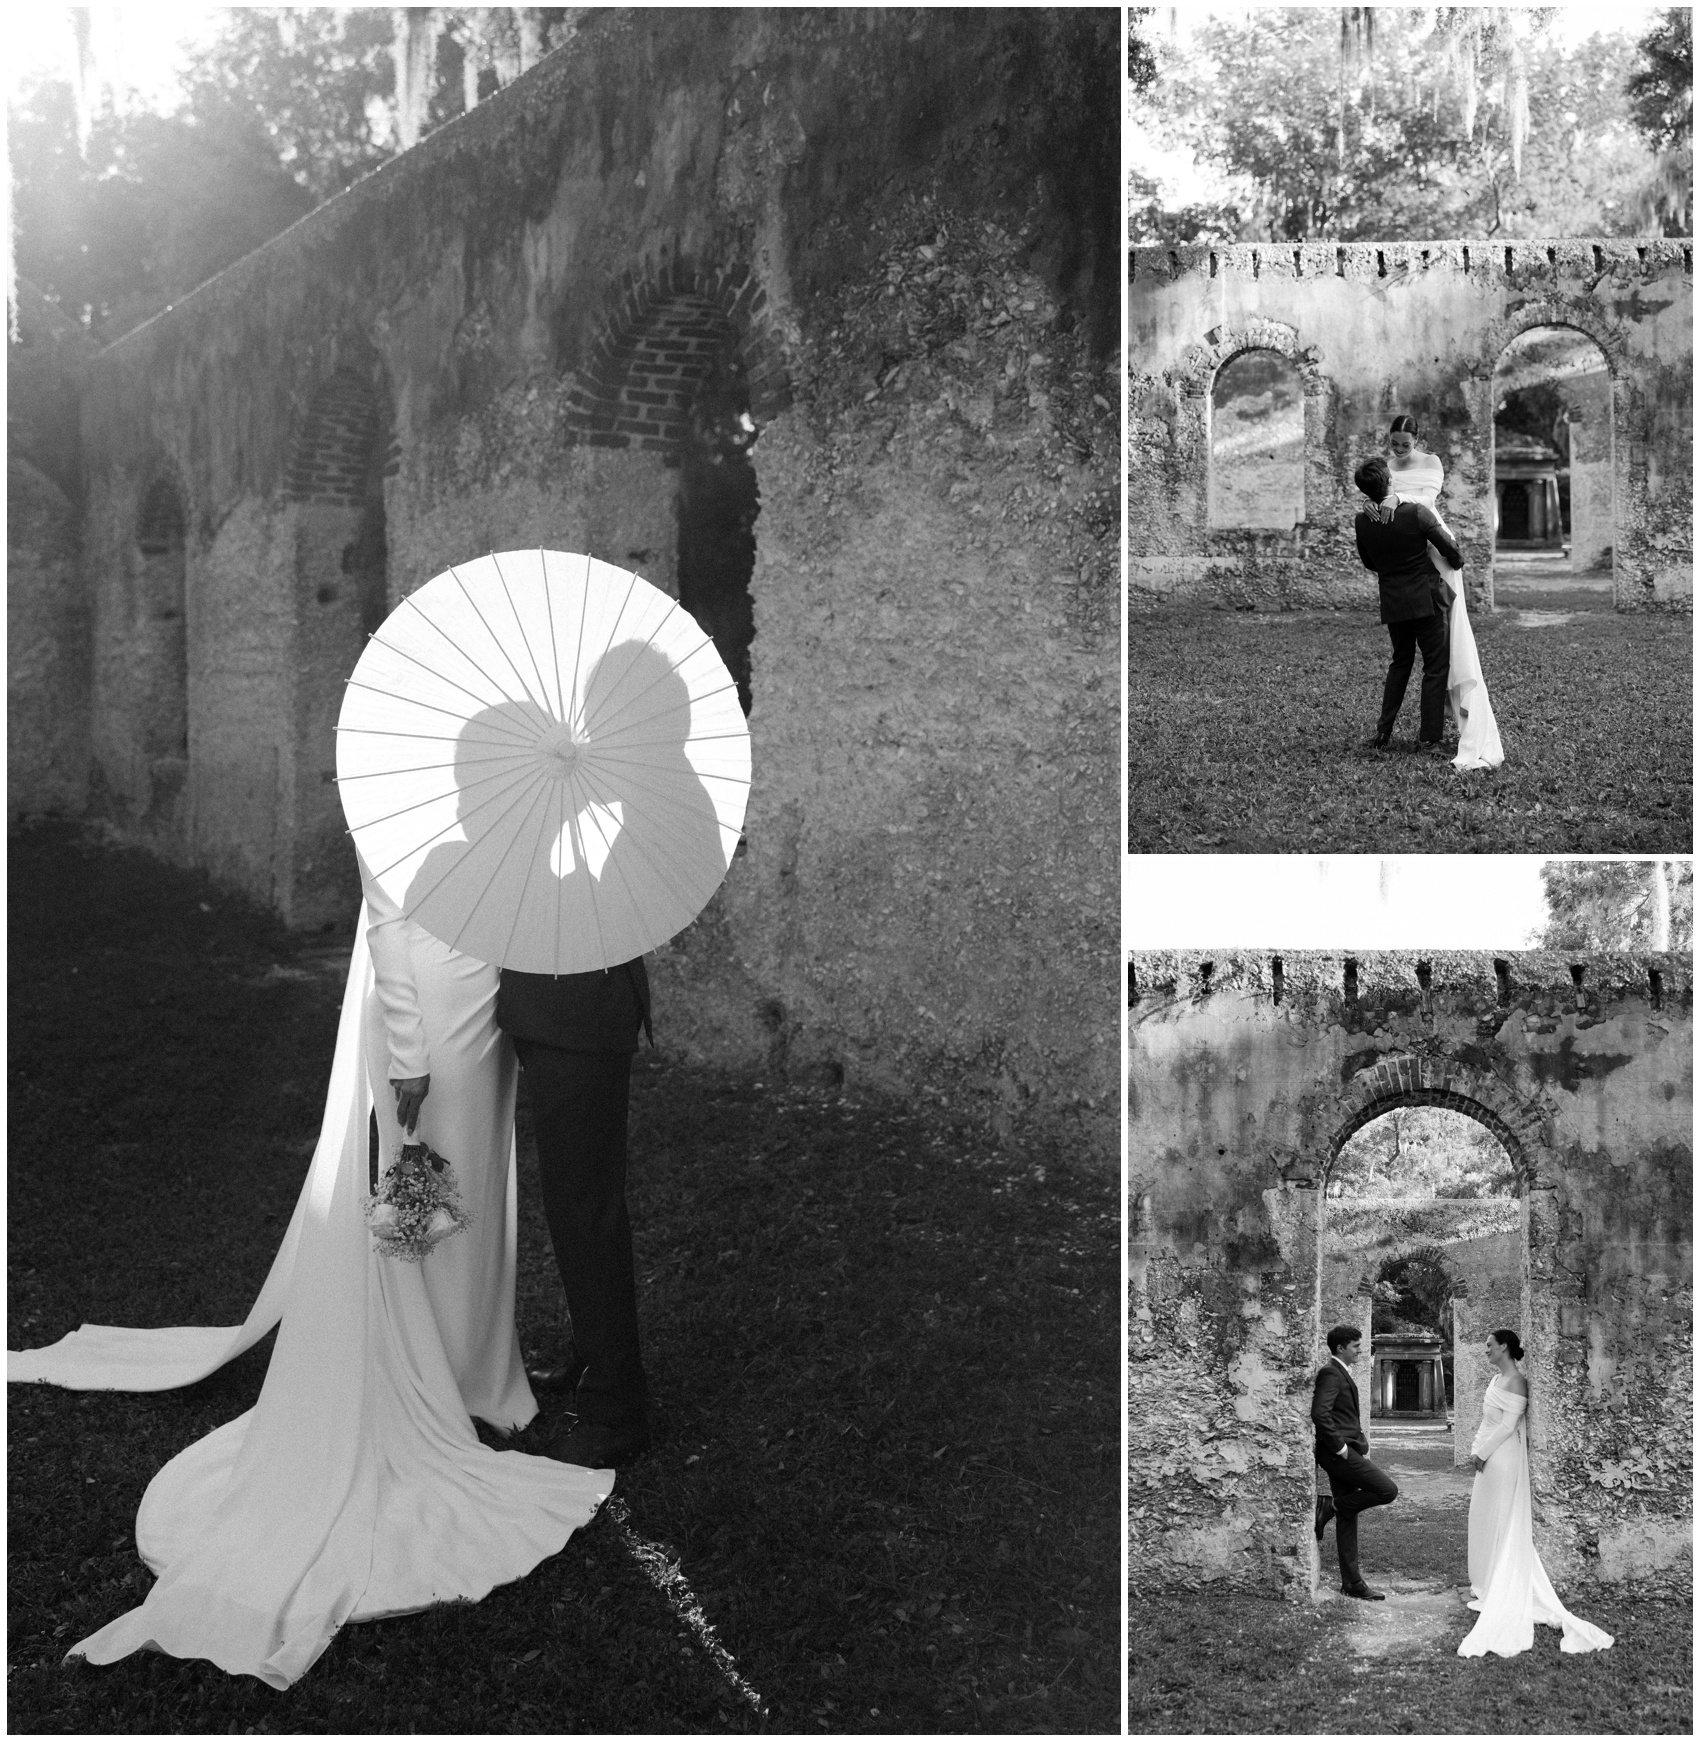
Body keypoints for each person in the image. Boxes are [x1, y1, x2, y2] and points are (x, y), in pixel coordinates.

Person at [5, 860, 609, 1688]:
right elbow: (389, 908)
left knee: (472, 1196)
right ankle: (427, 1376)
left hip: (484, 986)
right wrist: (406, 1043)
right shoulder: (394, 756)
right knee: (426, 1201)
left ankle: (475, 1373)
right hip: (425, 1003)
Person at [1457, 1329, 1613, 1658]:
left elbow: (1507, 1425)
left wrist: (1482, 1452)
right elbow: (1488, 1421)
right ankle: (1486, 1581)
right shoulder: (1497, 1379)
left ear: (1504, 1348)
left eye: (1489, 1345)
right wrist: (1475, 1447)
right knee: (1483, 1516)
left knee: (1503, 1519)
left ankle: (1503, 1581)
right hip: (1488, 1454)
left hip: (1502, 1457)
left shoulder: (1516, 1381)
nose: (1486, 1350)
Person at [1365, 415, 1506, 770]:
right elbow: (1380, 495)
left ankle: (1419, 725)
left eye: (1405, 444)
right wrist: (1376, 504)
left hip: (1428, 539)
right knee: (1424, 657)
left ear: (1417, 440)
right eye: (1394, 444)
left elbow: (1426, 499)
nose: (1398, 450)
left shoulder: (1432, 463)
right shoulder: (1385, 468)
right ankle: (1427, 734)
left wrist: (1397, 497)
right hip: (1406, 542)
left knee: (1428, 648)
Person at [1352, 454, 1463, 753]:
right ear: (1389, 480)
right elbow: (1452, 552)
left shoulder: (1362, 521)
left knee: (1400, 662)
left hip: (1393, 601)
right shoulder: (1415, 513)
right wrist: (1452, 560)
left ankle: (1383, 733)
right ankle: (1428, 738)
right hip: (1425, 600)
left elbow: (1369, 562)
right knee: (1435, 667)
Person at [1312, 1325, 1399, 1601]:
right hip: (1339, 1454)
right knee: (1387, 1490)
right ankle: (1331, 1506)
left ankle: (1352, 1584)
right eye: (1356, 1346)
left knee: (1348, 1518)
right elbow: (1320, 1413)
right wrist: (1340, 1448)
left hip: (1346, 1451)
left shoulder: (1341, 1372)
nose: (1360, 1350)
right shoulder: (1330, 1373)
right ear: (1341, 1348)